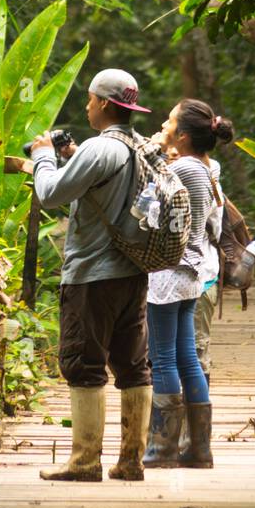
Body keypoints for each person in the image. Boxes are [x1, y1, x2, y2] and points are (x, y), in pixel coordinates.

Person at [23, 68, 153, 483]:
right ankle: (131, 460)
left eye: (89, 99)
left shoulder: (100, 149)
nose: (85, 105)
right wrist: (72, 158)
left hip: (92, 275)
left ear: (101, 103)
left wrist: (43, 155)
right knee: (133, 365)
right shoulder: (137, 145)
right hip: (131, 272)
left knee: (84, 364)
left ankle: (83, 462)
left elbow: (49, 194)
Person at [143, 99, 235, 470]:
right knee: (186, 358)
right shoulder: (207, 169)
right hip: (194, 274)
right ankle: (198, 449)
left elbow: (151, 214)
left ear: (182, 134)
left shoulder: (181, 169)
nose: (163, 124)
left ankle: (161, 450)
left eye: (168, 120)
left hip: (168, 274)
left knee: (163, 359)